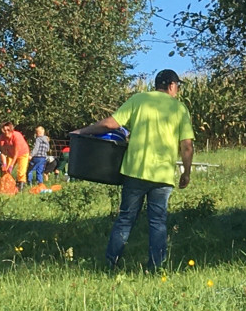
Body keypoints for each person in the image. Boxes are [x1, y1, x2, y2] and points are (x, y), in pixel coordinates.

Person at [76, 69, 194, 271]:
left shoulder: (139, 100)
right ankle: (156, 268)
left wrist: (83, 131)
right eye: (178, 86)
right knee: (158, 222)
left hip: (135, 171)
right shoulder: (179, 109)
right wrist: (186, 172)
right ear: (172, 85)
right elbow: (186, 145)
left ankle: (111, 264)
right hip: (163, 175)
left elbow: (111, 124)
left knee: (125, 219)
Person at [0, 122, 30, 189]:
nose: (6, 132)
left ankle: (21, 188)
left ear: (11, 129)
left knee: (21, 171)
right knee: (5, 170)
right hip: (11, 154)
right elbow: (3, 153)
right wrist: (4, 164)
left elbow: (16, 153)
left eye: (8, 130)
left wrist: (11, 166)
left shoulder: (16, 136)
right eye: (4, 130)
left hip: (22, 153)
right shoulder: (1, 137)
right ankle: (6, 187)